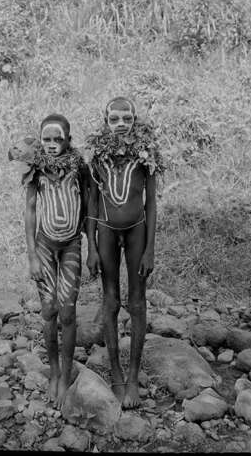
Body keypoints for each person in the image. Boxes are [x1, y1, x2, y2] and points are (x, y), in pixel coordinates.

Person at [86, 97, 163, 408]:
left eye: (126, 119)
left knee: (137, 301)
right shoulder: (98, 155)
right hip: (106, 230)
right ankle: (116, 373)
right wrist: (91, 247)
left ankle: (133, 376)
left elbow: (151, 203)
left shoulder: (147, 154)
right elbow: (92, 202)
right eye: (114, 119)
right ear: (106, 122)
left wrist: (150, 249)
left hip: (137, 231)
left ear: (135, 120)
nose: (120, 124)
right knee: (110, 300)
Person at [16, 114, 90, 404]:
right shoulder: (36, 169)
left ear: (68, 140)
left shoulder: (79, 167)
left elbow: (88, 206)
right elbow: (31, 210)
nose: (50, 144)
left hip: (71, 245)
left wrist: (93, 247)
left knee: (68, 311)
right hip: (45, 246)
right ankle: (55, 372)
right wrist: (32, 256)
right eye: (45, 139)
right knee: (49, 310)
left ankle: (68, 373)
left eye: (57, 139)